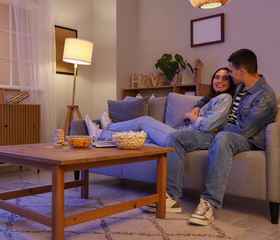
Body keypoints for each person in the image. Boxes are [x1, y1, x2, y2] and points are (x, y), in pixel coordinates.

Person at [163, 49, 278, 226]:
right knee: (176, 138)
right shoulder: (240, 86)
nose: (229, 75)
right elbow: (213, 98)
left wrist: (218, 127)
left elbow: (244, 131)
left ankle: (209, 203)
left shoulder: (265, 97)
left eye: (231, 71)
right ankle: (172, 197)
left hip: (247, 139)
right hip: (220, 133)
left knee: (224, 137)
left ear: (241, 71)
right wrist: (197, 107)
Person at [85, 67, 236, 148]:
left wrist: (191, 116)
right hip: (181, 133)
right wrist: (195, 109)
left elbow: (211, 125)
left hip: (181, 136)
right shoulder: (211, 99)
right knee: (139, 136)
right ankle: (100, 133)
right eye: (217, 77)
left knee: (143, 121)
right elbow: (202, 105)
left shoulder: (226, 98)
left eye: (225, 78)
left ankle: (108, 127)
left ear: (231, 82)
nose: (220, 81)